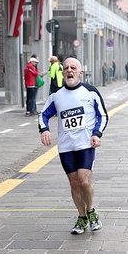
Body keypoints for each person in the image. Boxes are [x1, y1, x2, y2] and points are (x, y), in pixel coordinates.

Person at [38, 57, 108, 235]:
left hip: (86, 144)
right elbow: (43, 115)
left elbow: (103, 115)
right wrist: (44, 130)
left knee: (84, 181)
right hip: (66, 147)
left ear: (80, 72)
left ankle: (91, 211)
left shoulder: (90, 92)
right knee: (74, 183)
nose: (69, 70)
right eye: (66, 68)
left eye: (73, 68)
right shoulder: (56, 96)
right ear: (63, 73)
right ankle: (81, 217)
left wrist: (96, 134)